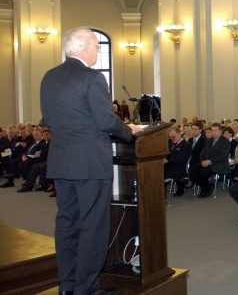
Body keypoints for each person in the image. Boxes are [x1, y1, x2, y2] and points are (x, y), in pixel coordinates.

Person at [40, 28, 143, 295]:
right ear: (84, 47)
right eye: (97, 46)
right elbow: (105, 120)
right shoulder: (92, 78)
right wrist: (129, 131)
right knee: (92, 226)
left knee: (67, 224)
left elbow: (48, 119)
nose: (98, 51)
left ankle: (67, 285)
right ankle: (87, 287)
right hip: (90, 164)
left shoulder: (49, 77)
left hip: (62, 161)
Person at [192, 122, 231, 198]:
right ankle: (208, 186)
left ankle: (205, 190)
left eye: (215, 130)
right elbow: (202, 153)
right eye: (212, 131)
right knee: (193, 171)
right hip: (206, 162)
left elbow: (223, 156)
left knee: (203, 173)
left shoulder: (225, 141)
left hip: (218, 164)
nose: (213, 132)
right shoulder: (209, 140)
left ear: (220, 131)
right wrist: (202, 161)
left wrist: (209, 161)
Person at [164, 126, 192, 196]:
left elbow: (180, 159)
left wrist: (167, 162)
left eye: (173, 136)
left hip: (179, 168)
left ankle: (161, 193)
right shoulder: (172, 144)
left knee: (160, 173)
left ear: (179, 133)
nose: (172, 138)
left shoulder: (186, 145)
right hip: (171, 166)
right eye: (170, 137)